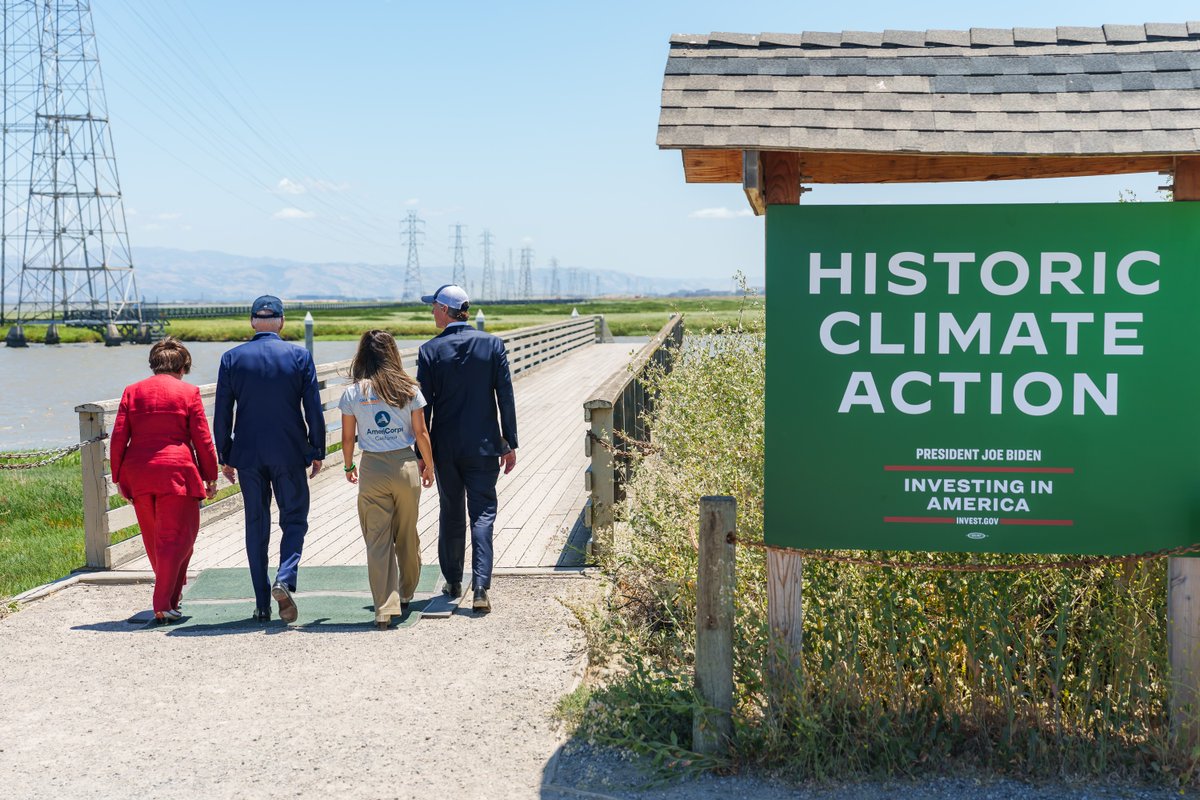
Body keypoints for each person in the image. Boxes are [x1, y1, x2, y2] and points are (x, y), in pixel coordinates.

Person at [213, 295, 325, 623]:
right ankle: (285, 578)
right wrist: (317, 449)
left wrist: (225, 454)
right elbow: (313, 409)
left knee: (256, 524)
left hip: (247, 454)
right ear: (282, 322)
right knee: (294, 518)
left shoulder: (232, 358)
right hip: (289, 451)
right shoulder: (300, 356)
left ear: (251, 322)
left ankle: (262, 602)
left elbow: (223, 412)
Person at [417, 284, 517, 613]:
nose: (431, 311)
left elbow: (423, 410)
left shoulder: (429, 351)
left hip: (446, 449)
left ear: (446, 310)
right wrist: (510, 441)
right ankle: (480, 587)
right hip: (485, 446)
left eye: (434, 306)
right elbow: (505, 395)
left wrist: (423, 456)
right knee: (483, 514)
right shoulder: (492, 345)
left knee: (451, 512)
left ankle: (452, 579)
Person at [109, 338, 218, 624]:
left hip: (139, 473)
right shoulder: (189, 392)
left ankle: (171, 598)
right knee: (181, 538)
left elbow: (119, 437)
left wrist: (119, 477)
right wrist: (210, 476)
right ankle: (162, 602)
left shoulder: (132, 392)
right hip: (177, 474)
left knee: (155, 539)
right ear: (183, 367)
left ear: (154, 364)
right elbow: (202, 439)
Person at [339, 330, 436, 629]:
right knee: (406, 533)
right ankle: (406, 593)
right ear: (392, 353)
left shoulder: (354, 393)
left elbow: (347, 438)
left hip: (372, 469)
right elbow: (421, 433)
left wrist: (347, 466)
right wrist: (429, 466)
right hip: (405, 464)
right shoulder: (408, 388)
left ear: (363, 355)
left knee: (377, 540)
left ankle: (384, 608)